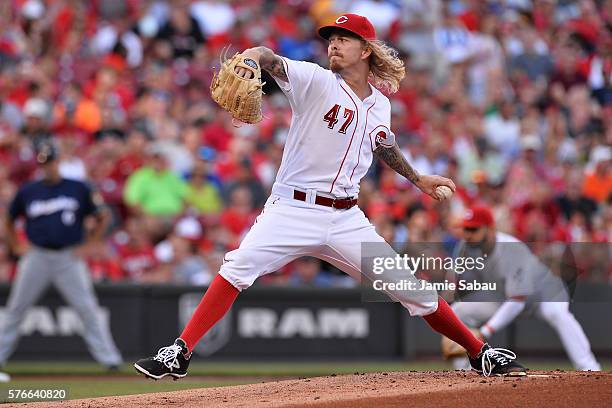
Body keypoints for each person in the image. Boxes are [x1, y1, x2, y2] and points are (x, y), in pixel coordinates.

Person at [134, 13, 525, 380]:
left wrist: (417, 177)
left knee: (414, 290)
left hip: (345, 219)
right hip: (291, 208)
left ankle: (479, 352)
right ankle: (180, 352)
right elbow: (270, 59)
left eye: (344, 39)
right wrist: (252, 56)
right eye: (331, 40)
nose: (334, 45)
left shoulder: (381, 105)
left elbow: (383, 144)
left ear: (366, 49)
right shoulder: (315, 80)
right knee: (237, 268)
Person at [0, 140, 124, 377]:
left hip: (68, 257)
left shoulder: (77, 188)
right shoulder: (29, 190)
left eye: (51, 162)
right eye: (44, 163)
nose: (48, 167)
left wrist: (91, 244)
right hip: (37, 255)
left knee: (88, 308)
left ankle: (111, 361)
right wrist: (16, 244)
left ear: (59, 162)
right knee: (16, 308)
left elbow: (103, 215)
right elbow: (9, 218)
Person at [444, 206, 601, 371]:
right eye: (465, 229)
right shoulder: (466, 246)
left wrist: (484, 332)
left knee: (558, 314)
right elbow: (454, 277)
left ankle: (590, 368)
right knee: (457, 311)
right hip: (503, 295)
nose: (467, 234)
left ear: (490, 229)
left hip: (544, 293)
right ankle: (465, 371)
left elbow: (517, 301)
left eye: (473, 229)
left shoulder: (512, 249)